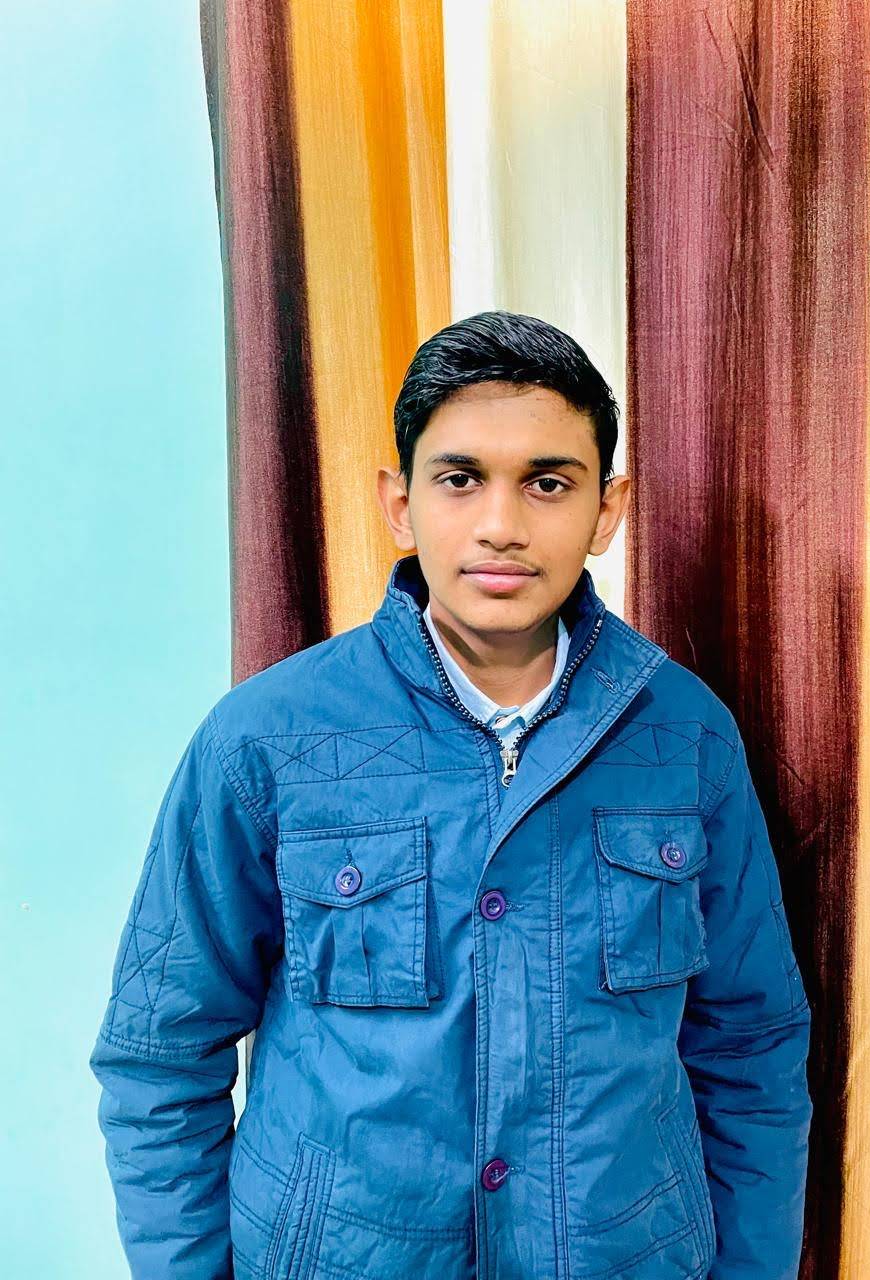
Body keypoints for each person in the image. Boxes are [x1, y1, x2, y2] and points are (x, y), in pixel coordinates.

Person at [89, 310, 813, 1280]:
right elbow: (158, 1055)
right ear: (400, 503)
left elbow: (754, 1049)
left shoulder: (686, 735)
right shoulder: (263, 738)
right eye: (460, 478)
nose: (501, 525)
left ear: (608, 509)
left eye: (548, 482)